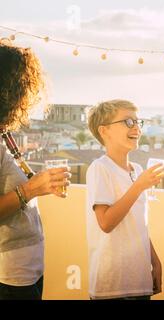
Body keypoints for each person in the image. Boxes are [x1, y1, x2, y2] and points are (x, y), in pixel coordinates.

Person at [0, 39, 71, 300]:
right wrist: (31, 189)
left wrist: (41, 185)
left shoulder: (4, 135)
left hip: (28, 266)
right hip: (9, 274)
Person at [86, 99, 164, 300]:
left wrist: (154, 261)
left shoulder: (137, 170)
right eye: (128, 122)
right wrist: (139, 186)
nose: (137, 127)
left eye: (138, 122)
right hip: (113, 286)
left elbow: (138, 224)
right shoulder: (100, 168)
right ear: (104, 131)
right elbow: (105, 223)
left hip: (139, 282)